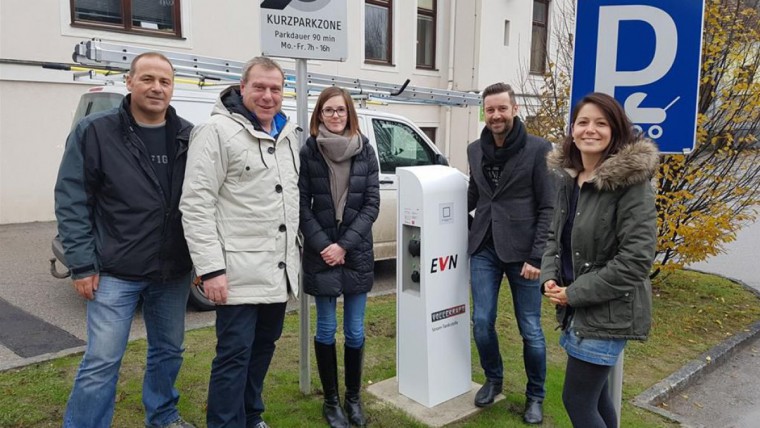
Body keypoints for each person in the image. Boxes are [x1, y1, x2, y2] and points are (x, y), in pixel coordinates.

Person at [55, 52, 195, 428]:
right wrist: (82, 264)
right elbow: (72, 199)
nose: (156, 87)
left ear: (172, 87)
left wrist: (203, 260)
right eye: (147, 79)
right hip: (115, 270)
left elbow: (201, 202)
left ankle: (163, 416)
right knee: (102, 361)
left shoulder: (188, 133)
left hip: (173, 270)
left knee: (168, 352)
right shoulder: (97, 131)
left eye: (164, 81)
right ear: (129, 82)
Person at [179, 56, 300, 428]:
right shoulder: (215, 131)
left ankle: (251, 416)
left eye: (275, 88)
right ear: (242, 87)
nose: (267, 95)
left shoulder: (288, 135)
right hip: (236, 273)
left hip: (277, 273)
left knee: (263, 349)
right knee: (233, 355)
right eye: (259, 87)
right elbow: (196, 203)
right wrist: (211, 269)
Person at [541, 92, 658, 428]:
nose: (590, 130)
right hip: (577, 308)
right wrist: (549, 277)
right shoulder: (569, 178)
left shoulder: (631, 185)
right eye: (583, 122)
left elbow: (635, 261)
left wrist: (573, 293)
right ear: (572, 130)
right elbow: (555, 237)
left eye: (601, 123)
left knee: (576, 401)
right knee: (597, 398)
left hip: (608, 313)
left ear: (615, 130)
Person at [467, 82, 553, 424]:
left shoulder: (538, 149)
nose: (496, 115)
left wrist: (537, 257)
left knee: (530, 327)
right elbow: (475, 194)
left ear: (515, 109)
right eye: (490, 110)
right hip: (484, 246)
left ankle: (536, 395)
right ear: (484, 113)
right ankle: (494, 378)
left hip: (523, 254)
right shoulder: (475, 150)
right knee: (482, 322)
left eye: (502, 108)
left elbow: (547, 206)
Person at [298, 87, 380, 428]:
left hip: (355, 251)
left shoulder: (366, 151)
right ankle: (331, 403)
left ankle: (353, 399)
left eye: (340, 111)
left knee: (356, 331)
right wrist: (324, 246)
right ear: (319, 115)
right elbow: (301, 205)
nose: (335, 116)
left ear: (349, 114)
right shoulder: (309, 151)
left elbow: (371, 204)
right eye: (328, 110)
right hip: (322, 254)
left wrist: (344, 245)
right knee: (327, 329)